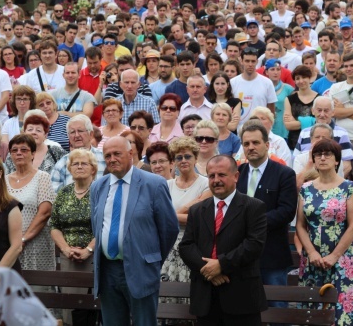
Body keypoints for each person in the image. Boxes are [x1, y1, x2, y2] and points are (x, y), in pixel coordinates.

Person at [90, 136, 179, 326]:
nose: (112, 159)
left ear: (131, 154)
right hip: (107, 271)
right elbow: (97, 226)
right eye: (107, 155)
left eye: (117, 154)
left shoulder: (154, 184)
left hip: (141, 269)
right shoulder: (98, 186)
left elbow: (169, 229)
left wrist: (150, 259)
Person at [179, 154, 268, 324]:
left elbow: (254, 245)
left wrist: (221, 265)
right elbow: (186, 246)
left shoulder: (254, 207)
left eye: (222, 175)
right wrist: (208, 269)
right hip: (205, 295)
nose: (216, 180)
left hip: (241, 297)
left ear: (235, 177)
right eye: (211, 176)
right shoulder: (197, 210)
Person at [297, 139, 353, 325]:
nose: (322, 158)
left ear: (337, 160)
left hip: (341, 258)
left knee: (342, 313)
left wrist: (334, 256)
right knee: (312, 312)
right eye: (318, 154)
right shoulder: (305, 189)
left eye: (328, 154)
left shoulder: (349, 188)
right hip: (313, 258)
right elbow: (300, 225)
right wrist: (311, 252)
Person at [236, 121, 297, 298]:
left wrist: (252, 223)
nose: (251, 147)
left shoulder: (284, 173)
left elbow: (286, 211)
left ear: (267, 145)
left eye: (256, 142)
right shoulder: (237, 173)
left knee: (277, 307)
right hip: (240, 253)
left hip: (272, 254)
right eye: (246, 144)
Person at [50, 149, 97, 325]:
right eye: (75, 164)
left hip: (94, 258)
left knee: (89, 310)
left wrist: (88, 250)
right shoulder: (63, 193)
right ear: (69, 169)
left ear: (93, 169)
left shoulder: (100, 191)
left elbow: (105, 227)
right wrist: (65, 249)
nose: (79, 166)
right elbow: (54, 225)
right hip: (69, 257)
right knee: (69, 309)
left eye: (84, 163)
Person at [162, 137, 211, 283]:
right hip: (168, 247)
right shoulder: (166, 185)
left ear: (195, 158)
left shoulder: (206, 184)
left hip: (194, 247)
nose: (183, 160)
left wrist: (168, 216)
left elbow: (199, 220)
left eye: (188, 156)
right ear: (174, 162)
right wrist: (184, 212)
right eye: (179, 157)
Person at [5, 134, 56, 273]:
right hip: (8, 246)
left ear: (33, 153)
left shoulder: (42, 177)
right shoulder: (3, 181)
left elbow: (45, 213)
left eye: (24, 150)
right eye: (14, 150)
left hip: (36, 244)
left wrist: (22, 239)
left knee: (39, 290)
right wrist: (13, 243)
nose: (19, 153)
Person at [50, 115, 106, 192]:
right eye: (72, 132)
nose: (76, 135)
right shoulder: (62, 163)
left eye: (80, 131)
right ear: (68, 137)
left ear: (91, 134)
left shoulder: (104, 158)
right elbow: (54, 192)